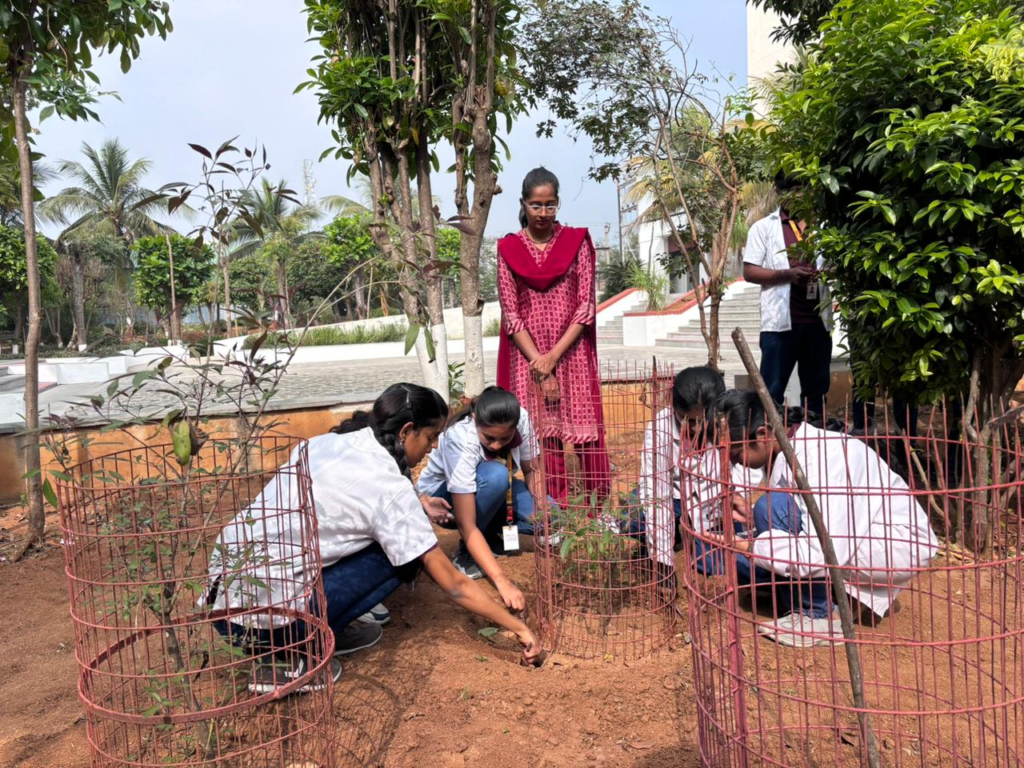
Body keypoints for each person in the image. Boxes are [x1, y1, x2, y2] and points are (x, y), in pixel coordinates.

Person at [209, 383, 541, 695]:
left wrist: (419, 501)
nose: (435, 445)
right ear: (406, 431)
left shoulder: (328, 442)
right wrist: (518, 628)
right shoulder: (390, 489)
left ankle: (329, 626)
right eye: (431, 436)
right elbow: (453, 585)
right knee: (407, 557)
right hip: (263, 625)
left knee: (388, 540)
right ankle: (291, 657)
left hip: (223, 600)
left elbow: (356, 491)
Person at [712, 390, 938, 648]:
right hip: (852, 536)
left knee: (768, 512)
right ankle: (829, 597)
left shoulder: (820, 457)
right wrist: (753, 524)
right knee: (742, 560)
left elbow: (824, 551)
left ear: (763, 435)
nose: (733, 461)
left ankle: (820, 615)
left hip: (893, 544)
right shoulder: (785, 449)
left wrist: (752, 545)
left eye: (735, 452)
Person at [497, 167, 610, 503]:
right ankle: (557, 508)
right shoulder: (508, 248)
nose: (542, 213)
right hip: (527, 355)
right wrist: (539, 361)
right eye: (535, 205)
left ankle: (596, 505)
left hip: (570, 350)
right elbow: (511, 313)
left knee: (584, 433)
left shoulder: (577, 242)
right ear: (523, 203)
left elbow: (585, 306)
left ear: (558, 203)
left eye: (549, 205)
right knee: (545, 437)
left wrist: (553, 357)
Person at [416, 386, 542, 597]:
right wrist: (502, 581)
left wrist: (544, 508)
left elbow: (531, 470)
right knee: (496, 475)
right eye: (489, 437)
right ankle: (467, 551)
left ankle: (493, 531)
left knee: (549, 518)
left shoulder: (522, 418)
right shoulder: (461, 438)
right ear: (475, 419)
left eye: (505, 438)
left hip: (499, 489)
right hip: (445, 500)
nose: (496, 445)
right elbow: (466, 522)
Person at [743, 173, 833, 416]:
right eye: (789, 190)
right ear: (779, 192)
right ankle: (770, 443)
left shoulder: (824, 228)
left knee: (816, 391)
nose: (796, 196)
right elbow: (749, 271)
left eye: (801, 189)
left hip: (817, 322)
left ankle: (814, 440)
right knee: (771, 392)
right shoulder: (764, 227)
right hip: (780, 326)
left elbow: (837, 264)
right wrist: (787, 275)